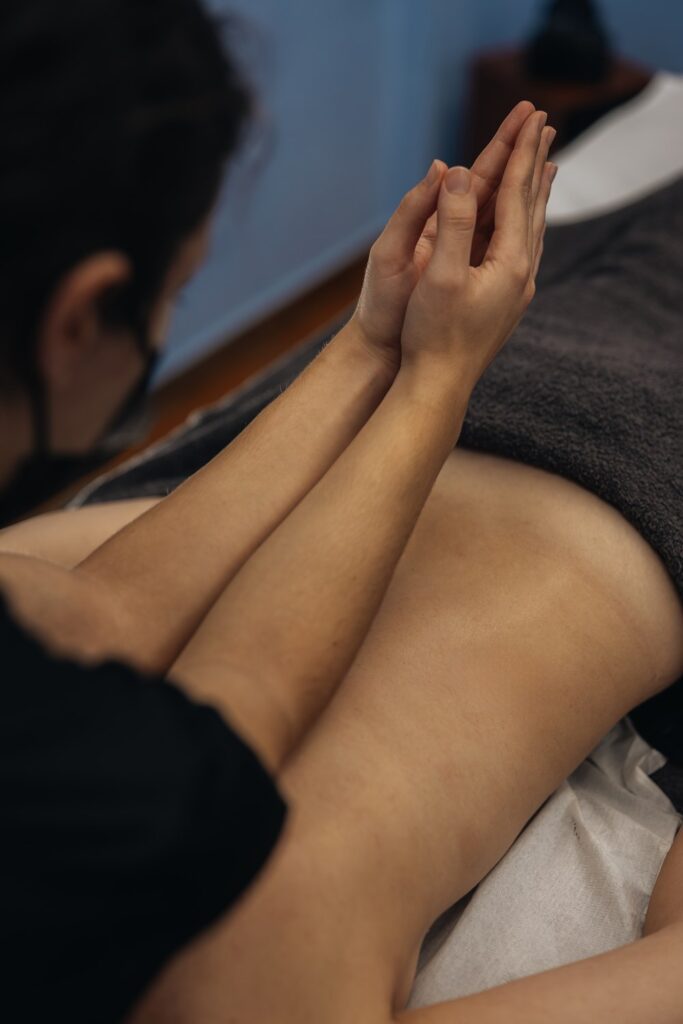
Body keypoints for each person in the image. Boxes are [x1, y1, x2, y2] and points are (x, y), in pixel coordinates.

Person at [0, 4, 681, 1024]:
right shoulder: (173, 875)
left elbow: (113, 614)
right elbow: (233, 707)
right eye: (173, 298)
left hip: (371, 444)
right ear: (77, 319)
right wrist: (427, 372)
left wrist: (378, 347)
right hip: (613, 474)